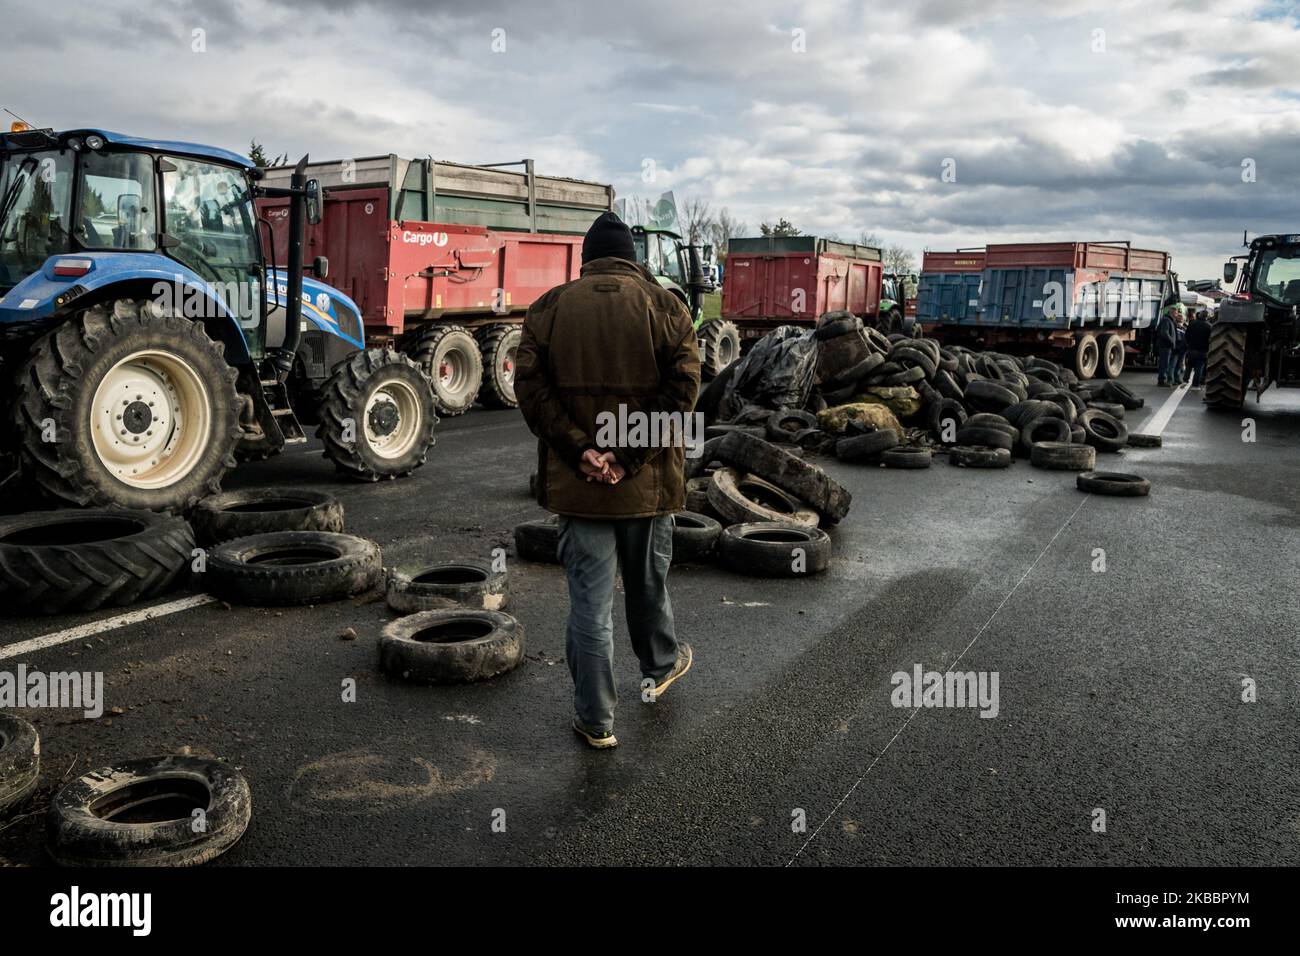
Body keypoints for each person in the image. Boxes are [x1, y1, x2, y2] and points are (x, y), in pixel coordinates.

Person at [515, 212, 701, 750]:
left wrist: (584, 452)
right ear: (633, 259)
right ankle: (659, 667)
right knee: (647, 585)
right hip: (645, 488)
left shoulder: (549, 308)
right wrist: (627, 454)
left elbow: (531, 392)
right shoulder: (668, 308)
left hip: (581, 489)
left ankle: (596, 721)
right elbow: (684, 391)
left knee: (590, 609)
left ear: (586, 258)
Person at [1155, 302, 1183, 387]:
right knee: (1164, 364)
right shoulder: (1166, 320)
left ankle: (1163, 380)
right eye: (1176, 313)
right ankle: (1161, 381)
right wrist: (1171, 341)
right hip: (1165, 346)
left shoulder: (1170, 320)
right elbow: (1164, 332)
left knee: (1165, 364)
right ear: (1172, 312)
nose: (1177, 314)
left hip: (1167, 346)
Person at [1184, 308, 1212, 389]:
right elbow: (1210, 339)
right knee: (1199, 368)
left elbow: (1186, 335)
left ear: (1199, 315)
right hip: (1203, 350)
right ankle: (1195, 385)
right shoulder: (1209, 326)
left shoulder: (1192, 323)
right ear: (1207, 317)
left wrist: (1189, 344)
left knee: (1189, 365)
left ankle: (1185, 380)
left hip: (1191, 348)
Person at [1173, 309, 1188, 386]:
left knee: (1179, 365)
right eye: (1179, 317)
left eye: (1182, 317)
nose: (1181, 318)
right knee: (1174, 364)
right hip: (1176, 348)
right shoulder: (1175, 326)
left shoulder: (1185, 326)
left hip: (1183, 349)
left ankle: (1177, 378)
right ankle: (1173, 379)